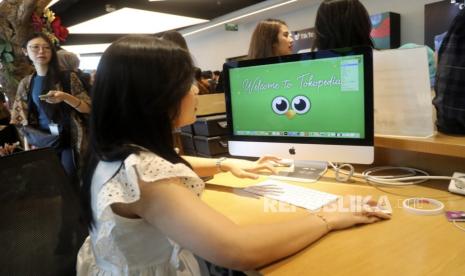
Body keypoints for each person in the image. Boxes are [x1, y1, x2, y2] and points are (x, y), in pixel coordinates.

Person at [77, 35, 390, 275]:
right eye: (186, 83)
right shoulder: (146, 179)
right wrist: (327, 216)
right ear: (154, 98)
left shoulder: (114, 150)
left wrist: (224, 163)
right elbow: (240, 250)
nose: (197, 90)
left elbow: (170, 162)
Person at [9, 33, 91, 176]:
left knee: (71, 177)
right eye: (35, 47)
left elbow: (88, 108)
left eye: (47, 48)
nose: (41, 51)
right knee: (53, 180)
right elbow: (20, 118)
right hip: (45, 140)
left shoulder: (68, 77)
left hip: (71, 139)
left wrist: (65, 97)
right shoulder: (27, 83)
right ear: (25, 51)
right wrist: (28, 147)